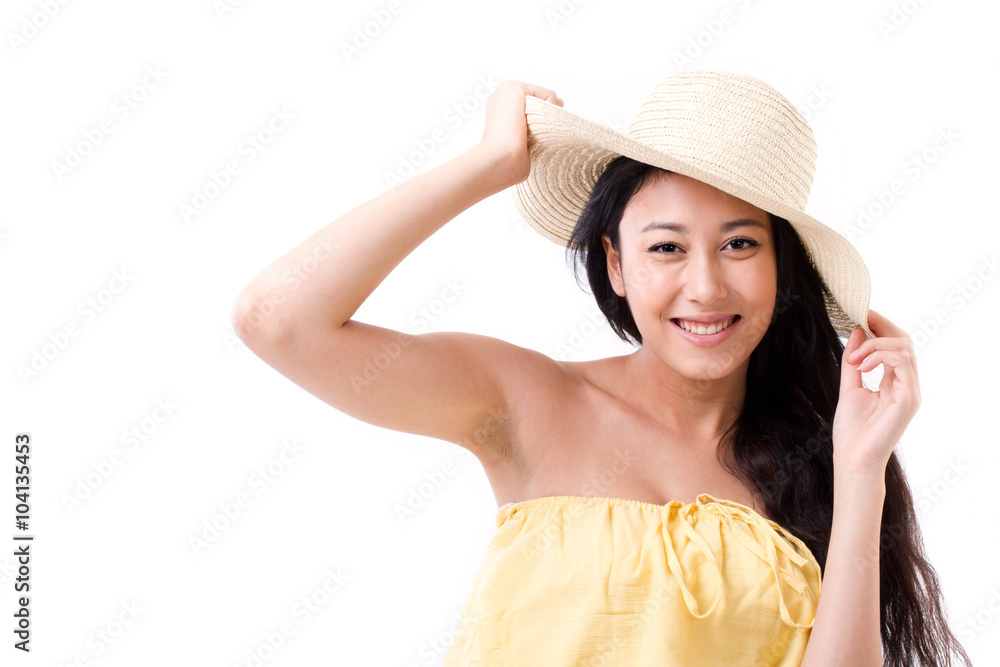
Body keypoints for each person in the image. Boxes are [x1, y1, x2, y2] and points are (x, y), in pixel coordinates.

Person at [231, 70, 972, 666]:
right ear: (615, 263)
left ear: (783, 270)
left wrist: (862, 467)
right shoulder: (524, 401)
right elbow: (278, 321)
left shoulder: (814, 463)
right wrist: (486, 164)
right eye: (666, 247)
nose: (706, 287)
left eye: (741, 245)